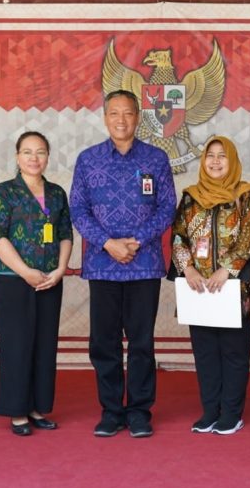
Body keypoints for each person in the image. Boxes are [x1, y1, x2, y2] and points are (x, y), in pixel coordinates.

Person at [70, 90, 176, 438]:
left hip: (144, 263)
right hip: (102, 265)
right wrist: (108, 243)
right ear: (105, 118)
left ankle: (140, 411)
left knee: (141, 341)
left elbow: (166, 207)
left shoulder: (156, 159)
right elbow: (77, 209)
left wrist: (137, 241)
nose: (121, 120)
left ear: (138, 117)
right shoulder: (88, 160)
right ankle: (112, 410)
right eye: (114, 113)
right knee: (104, 341)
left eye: (128, 113)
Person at [171, 136, 250, 435]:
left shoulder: (246, 195)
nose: (215, 161)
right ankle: (210, 411)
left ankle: (232, 414)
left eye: (222, 156)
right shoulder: (190, 197)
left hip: (234, 290)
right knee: (205, 353)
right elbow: (178, 237)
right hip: (198, 290)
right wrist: (187, 268)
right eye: (210, 156)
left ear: (233, 161)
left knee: (234, 353)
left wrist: (227, 269)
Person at [0, 131, 72, 437]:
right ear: (17, 157)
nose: (34, 158)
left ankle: (38, 407)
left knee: (44, 344)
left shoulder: (56, 193)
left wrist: (61, 269)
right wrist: (24, 271)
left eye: (40, 152)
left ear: (48, 157)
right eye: (27, 152)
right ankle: (18, 411)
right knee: (17, 345)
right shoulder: (5, 192)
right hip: (15, 281)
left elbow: (65, 234)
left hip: (50, 280)